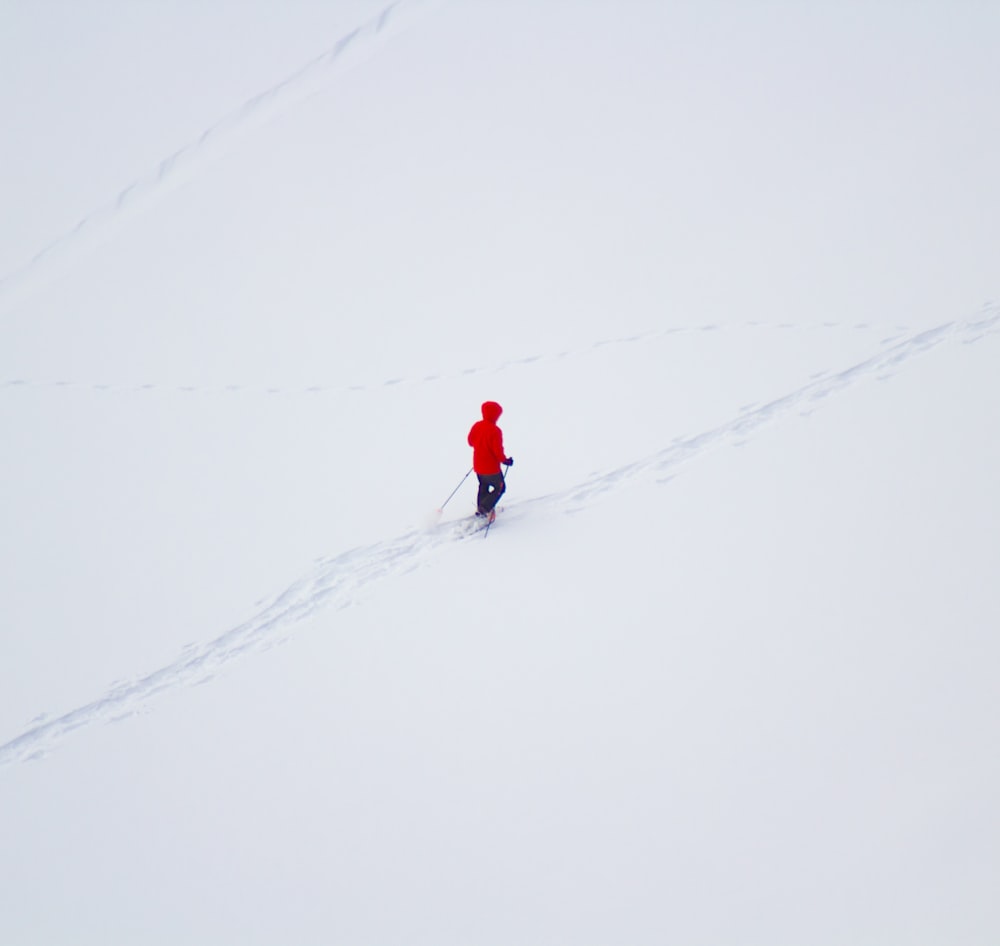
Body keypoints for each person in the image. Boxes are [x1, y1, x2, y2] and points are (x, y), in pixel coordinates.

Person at [467, 400, 513, 517]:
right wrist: (506, 461)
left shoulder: (477, 425)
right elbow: (498, 451)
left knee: (483, 485)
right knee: (500, 487)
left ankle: (481, 508)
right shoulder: (495, 431)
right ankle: (485, 509)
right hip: (491, 469)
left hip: (478, 465)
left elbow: (470, 442)